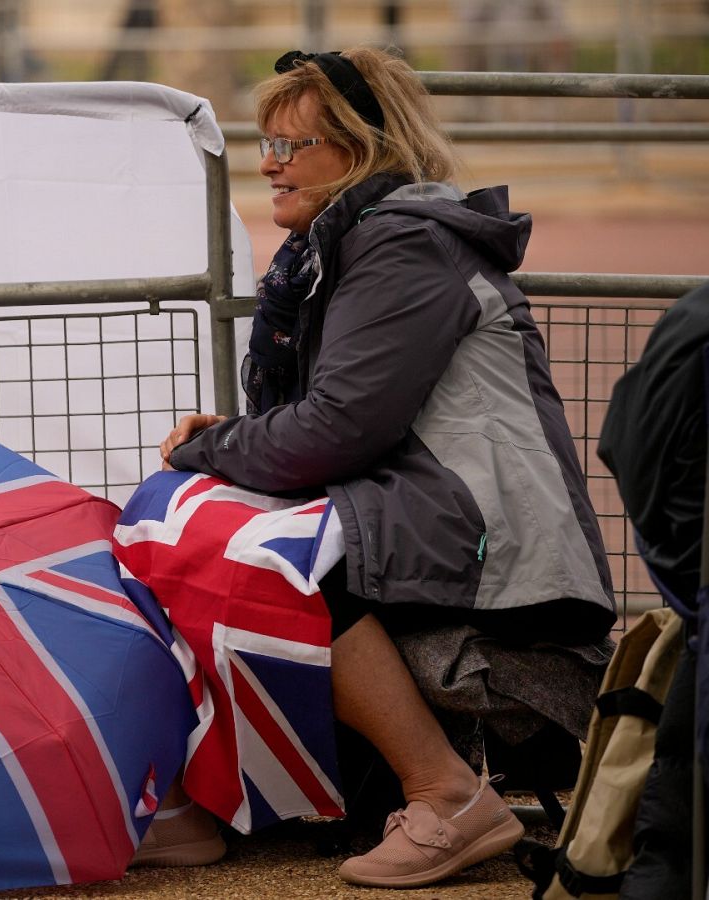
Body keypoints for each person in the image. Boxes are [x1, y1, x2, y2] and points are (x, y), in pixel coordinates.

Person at [151, 47, 615, 887]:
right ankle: (195, 797)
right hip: (427, 513)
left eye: (293, 146)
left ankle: (447, 797)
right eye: (267, 142)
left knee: (263, 556)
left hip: (498, 546)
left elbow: (331, 435)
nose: (269, 164)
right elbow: (323, 429)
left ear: (360, 150)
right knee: (183, 516)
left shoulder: (403, 246)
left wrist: (208, 446)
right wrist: (221, 445)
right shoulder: (349, 248)